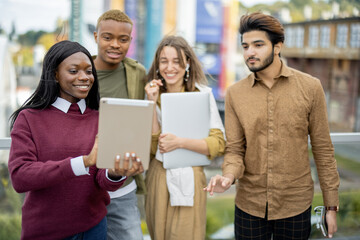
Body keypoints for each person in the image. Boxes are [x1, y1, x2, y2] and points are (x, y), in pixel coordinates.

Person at [204, 12, 340, 240]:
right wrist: (227, 176)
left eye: (258, 45)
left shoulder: (310, 88)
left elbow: (323, 150)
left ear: (278, 47)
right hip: (250, 205)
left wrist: (331, 207)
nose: (250, 52)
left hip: (295, 204)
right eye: (245, 46)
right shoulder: (235, 94)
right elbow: (236, 150)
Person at [8, 40, 143, 240]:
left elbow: (102, 180)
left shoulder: (100, 118)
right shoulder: (29, 118)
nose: (84, 77)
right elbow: (21, 177)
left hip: (94, 229)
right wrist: (83, 162)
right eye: (73, 71)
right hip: (46, 232)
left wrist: (115, 173)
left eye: (89, 71)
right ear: (54, 74)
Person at [144, 35, 226, 240]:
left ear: (187, 63)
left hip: (190, 176)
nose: (169, 67)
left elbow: (218, 144)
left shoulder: (203, 94)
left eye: (177, 61)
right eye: (164, 61)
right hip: (159, 176)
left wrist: (179, 142)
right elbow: (153, 148)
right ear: (157, 64)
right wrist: (151, 104)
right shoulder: (151, 94)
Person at [93, 9, 147, 240]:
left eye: (122, 39)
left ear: (130, 41)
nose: (115, 44)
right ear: (96, 36)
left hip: (122, 185)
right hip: (83, 184)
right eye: (107, 37)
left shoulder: (137, 73)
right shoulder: (77, 72)